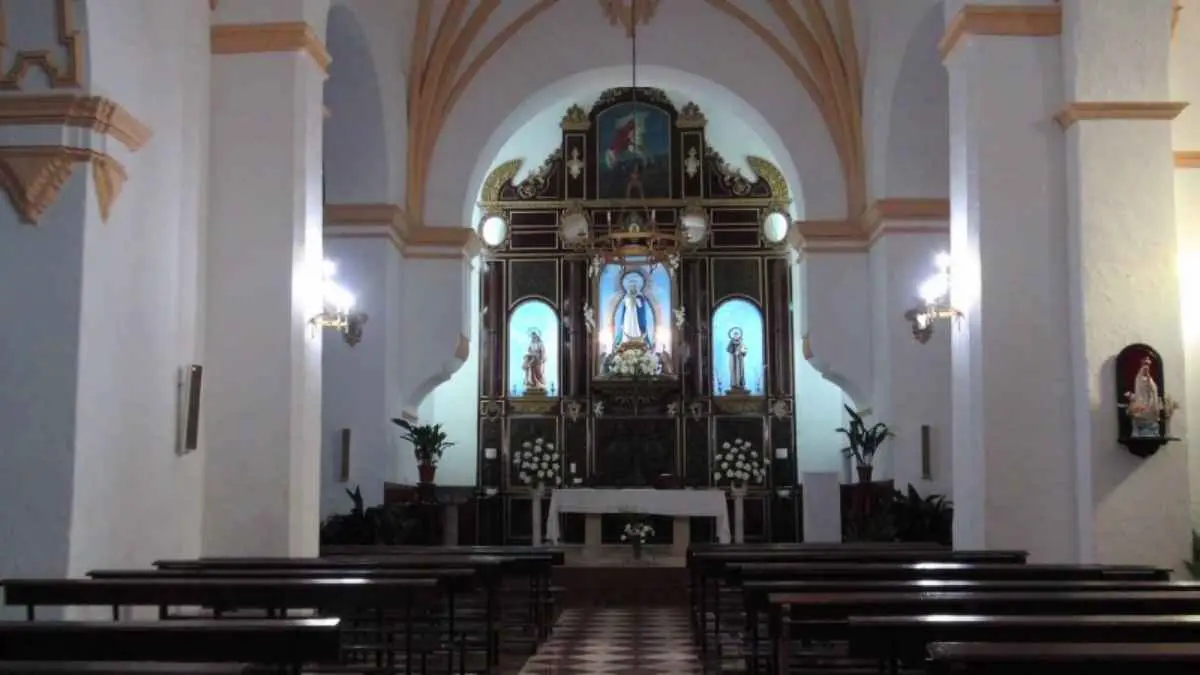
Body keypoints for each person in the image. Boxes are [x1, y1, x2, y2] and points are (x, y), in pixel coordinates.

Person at [1126, 355, 1162, 437]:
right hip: (1142, 400)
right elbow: (1139, 388)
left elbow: (1154, 389)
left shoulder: (1150, 379)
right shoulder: (1139, 378)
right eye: (1145, 367)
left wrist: (1149, 381)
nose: (1146, 369)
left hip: (1150, 401)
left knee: (1151, 412)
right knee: (1141, 411)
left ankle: (1152, 429)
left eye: (1148, 367)